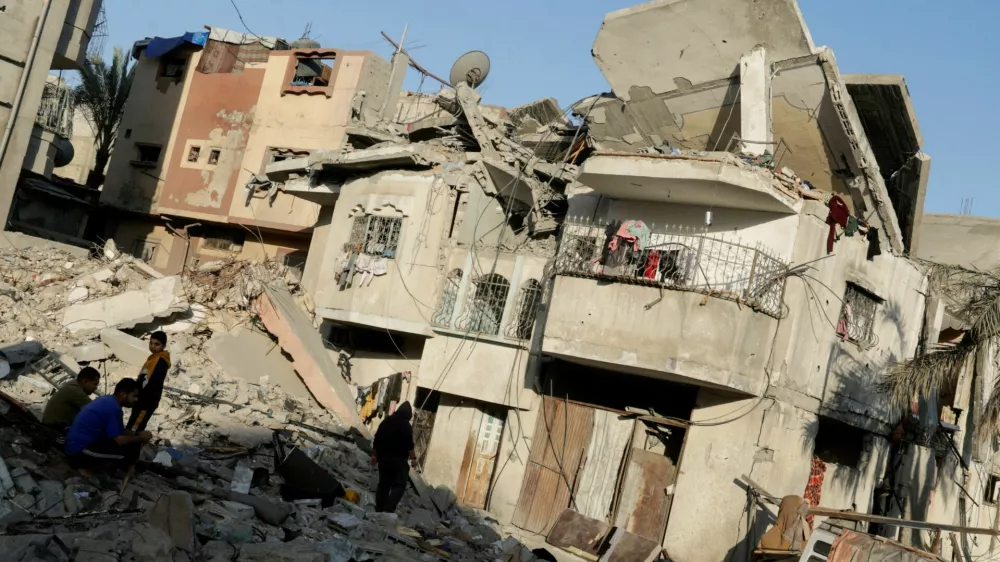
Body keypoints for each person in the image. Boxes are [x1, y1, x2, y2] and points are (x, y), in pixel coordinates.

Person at [65, 378, 152, 472]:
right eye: (134, 396)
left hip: (76, 446)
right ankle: (85, 468)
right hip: (78, 451)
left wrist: (136, 434)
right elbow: (120, 440)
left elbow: (119, 430)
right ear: (123, 394)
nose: (136, 399)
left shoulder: (108, 400)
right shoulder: (113, 409)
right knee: (126, 454)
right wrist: (140, 438)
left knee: (127, 445)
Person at [370, 401, 416, 513]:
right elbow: (410, 446)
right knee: (399, 484)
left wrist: (374, 455)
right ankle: (389, 508)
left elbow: (377, 439)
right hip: (398, 461)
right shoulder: (406, 426)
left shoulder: (386, 421)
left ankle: (379, 508)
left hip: (383, 459)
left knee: (384, 484)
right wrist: (413, 459)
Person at [127, 331, 171, 432]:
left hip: (146, 401)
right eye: (151, 343)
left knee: (135, 428)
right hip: (142, 399)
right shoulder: (153, 358)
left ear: (164, 346)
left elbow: (151, 382)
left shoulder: (159, 360)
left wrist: (140, 395)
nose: (152, 346)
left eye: (157, 344)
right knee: (133, 424)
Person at [41, 367, 100, 432]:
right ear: (85, 381)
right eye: (94, 384)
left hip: (55, 426)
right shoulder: (74, 391)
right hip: (54, 429)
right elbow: (95, 410)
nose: (96, 387)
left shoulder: (72, 384)